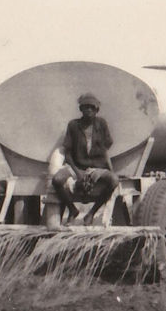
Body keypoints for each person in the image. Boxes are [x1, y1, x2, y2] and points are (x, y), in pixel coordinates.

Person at [51, 93, 119, 226]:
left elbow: (107, 146)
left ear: (96, 110)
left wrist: (106, 168)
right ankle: (72, 209)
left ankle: (91, 213)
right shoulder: (73, 125)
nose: (89, 110)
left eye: (92, 108)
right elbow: (68, 153)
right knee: (57, 180)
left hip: (96, 167)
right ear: (80, 109)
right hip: (76, 166)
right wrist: (77, 172)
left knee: (114, 181)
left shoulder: (101, 124)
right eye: (85, 107)